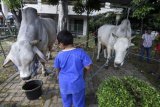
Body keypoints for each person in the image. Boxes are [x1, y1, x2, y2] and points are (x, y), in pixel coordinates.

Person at [53, 30, 92, 107]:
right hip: (78, 84)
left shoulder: (59, 55)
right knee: (79, 103)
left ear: (61, 44)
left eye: (58, 43)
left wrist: (58, 76)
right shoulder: (80, 52)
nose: (58, 45)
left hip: (64, 84)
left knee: (66, 103)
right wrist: (84, 74)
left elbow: (57, 69)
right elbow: (88, 66)